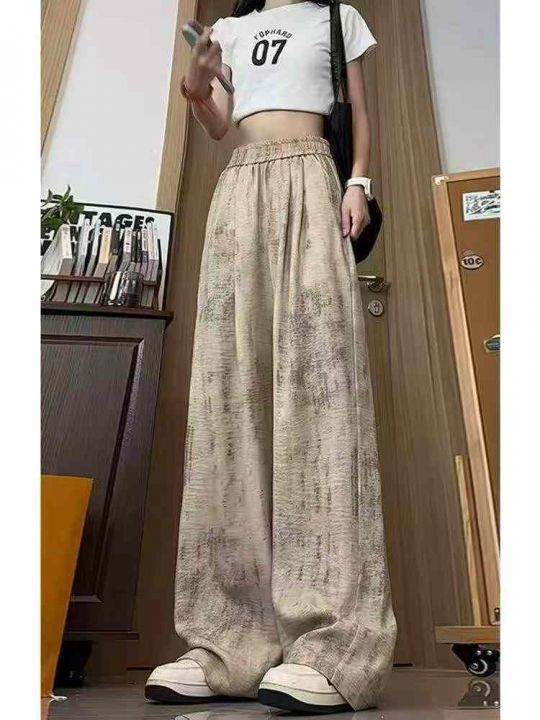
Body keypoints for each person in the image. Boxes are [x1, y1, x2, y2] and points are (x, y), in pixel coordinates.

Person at [146, 0, 397, 714]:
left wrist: (359, 181)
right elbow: (218, 121)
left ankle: (334, 644)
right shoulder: (227, 31)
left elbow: (358, 108)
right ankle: (228, 642)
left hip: (313, 180)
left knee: (321, 399)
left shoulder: (337, 18)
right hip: (240, 189)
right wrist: (197, 85)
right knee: (230, 400)